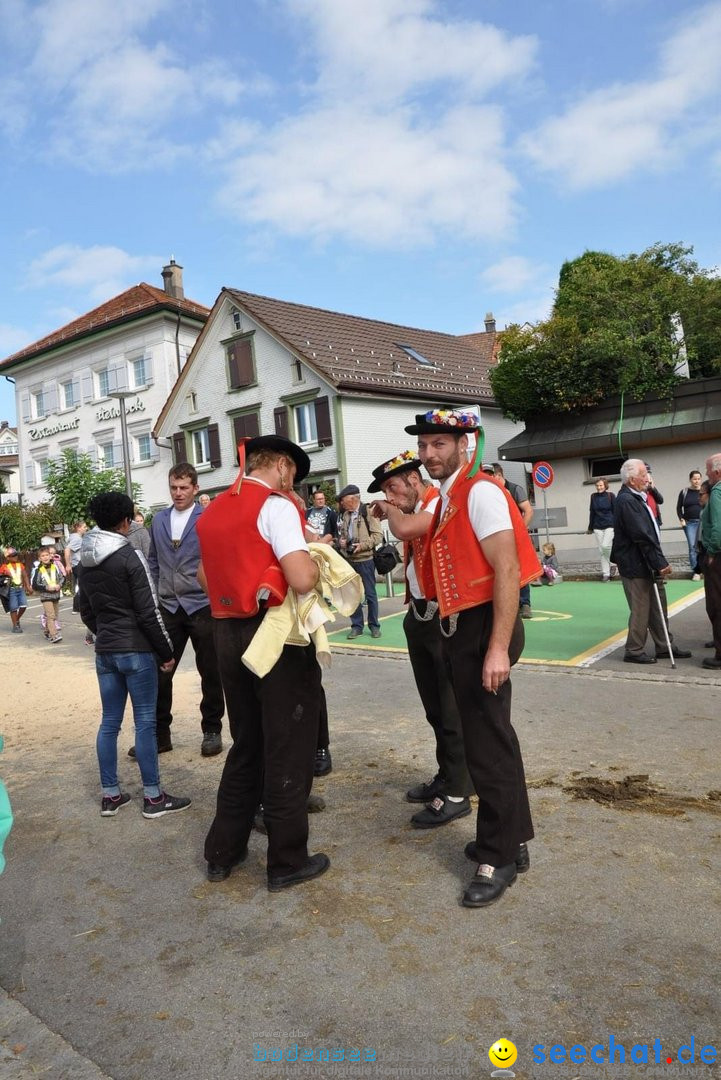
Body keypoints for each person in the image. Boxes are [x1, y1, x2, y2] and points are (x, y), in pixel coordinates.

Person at [407, 409, 540, 908]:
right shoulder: (447, 495)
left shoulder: (480, 490)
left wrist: (498, 647)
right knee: (491, 738)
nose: (428, 455)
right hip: (460, 628)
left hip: (485, 627)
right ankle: (513, 841)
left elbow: (507, 569)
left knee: (487, 744)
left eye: (438, 444)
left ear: (465, 444)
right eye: (425, 446)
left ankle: (498, 857)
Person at [198, 434, 329, 890]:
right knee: (288, 745)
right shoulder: (273, 507)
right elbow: (299, 575)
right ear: (278, 465)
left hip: (225, 631)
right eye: (291, 471)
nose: (292, 480)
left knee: (247, 744)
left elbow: (203, 574)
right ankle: (287, 861)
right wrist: (316, 566)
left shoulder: (212, 508)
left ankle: (222, 853)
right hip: (273, 631)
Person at [368, 451, 474, 828]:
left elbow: (407, 530)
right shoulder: (418, 505)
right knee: (435, 708)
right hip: (421, 614)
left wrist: (388, 510)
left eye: (393, 486)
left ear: (414, 479)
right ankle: (449, 777)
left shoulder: (436, 502)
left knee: (449, 708)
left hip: (443, 618)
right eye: (385, 490)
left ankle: (459, 790)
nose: (391, 496)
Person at [78, 492, 191, 819]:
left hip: (106, 651)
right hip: (137, 650)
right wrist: (166, 651)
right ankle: (154, 798)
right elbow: (149, 611)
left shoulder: (84, 559)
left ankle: (110, 795)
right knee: (145, 722)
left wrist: (104, 633)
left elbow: (85, 610)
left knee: (109, 722)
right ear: (126, 520)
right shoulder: (130, 556)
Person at [136, 463, 225, 758]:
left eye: (184, 487)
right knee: (160, 672)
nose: (178, 493)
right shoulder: (159, 519)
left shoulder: (207, 517)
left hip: (201, 606)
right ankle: (160, 735)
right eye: (174, 487)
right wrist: (154, 594)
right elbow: (152, 561)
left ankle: (211, 730)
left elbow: (217, 558)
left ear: (195, 488)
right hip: (169, 606)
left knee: (210, 673)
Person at [611, 459, 691, 665]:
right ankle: (634, 650)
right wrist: (660, 562)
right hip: (635, 563)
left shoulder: (639, 497)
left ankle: (664, 645)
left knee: (657, 606)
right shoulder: (627, 500)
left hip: (645, 561)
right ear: (631, 479)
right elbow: (642, 535)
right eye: (643, 475)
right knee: (641, 607)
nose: (647, 478)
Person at [337, 484, 383, 639]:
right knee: (353, 595)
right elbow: (343, 535)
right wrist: (342, 542)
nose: (342, 504)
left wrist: (362, 546)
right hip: (350, 560)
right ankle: (357, 626)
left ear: (353, 498)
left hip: (366, 560)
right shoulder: (346, 515)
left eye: (344, 501)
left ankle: (374, 626)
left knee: (370, 594)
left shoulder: (368, 511)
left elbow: (378, 536)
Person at [492, 464, 534, 618]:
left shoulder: (515, 489)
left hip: (515, 536)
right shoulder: (491, 492)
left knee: (519, 569)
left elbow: (528, 511)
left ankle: (525, 603)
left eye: (492, 476)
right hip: (498, 538)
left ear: (499, 475)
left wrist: (519, 531)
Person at [700, 454, 721, 669]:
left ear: (717, 471)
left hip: (719, 555)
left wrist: (713, 552)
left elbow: (718, 526)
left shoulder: (717, 491)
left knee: (717, 604)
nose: (706, 474)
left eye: (707, 470)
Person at [31, 546, 65, 642]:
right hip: (46, 596)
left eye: (47, 555)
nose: (45, 557)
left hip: (56, 595)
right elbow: (35, 584)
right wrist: (46, 587)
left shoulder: (55, 567)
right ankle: (54, 635)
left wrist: (60, 585)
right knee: (51, 616)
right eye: (43, 556)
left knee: (54, 615)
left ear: (50, 556)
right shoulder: (39, 570)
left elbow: (62, 578)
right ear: (39, 558)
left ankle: (46, 631)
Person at [587, 477, 616, 581]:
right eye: (597, 485)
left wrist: (618, 525)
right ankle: (606, 574)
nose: (599, 487)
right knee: (601, 551)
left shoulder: (611, 496)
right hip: (597, 526)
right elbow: (592, 512)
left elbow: (616, 511)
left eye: (601, 485)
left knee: (605, 546)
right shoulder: (593, 496)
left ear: (605, 486)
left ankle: (613, 563)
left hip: (609, 524)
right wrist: (590, 527)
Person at [677, 470, 703, 579]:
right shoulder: (684, 492)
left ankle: (705, 569)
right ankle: (696, 571)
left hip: (703, 523)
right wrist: (681, 519)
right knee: (693, 547)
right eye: (694, 479)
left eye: (698, 479)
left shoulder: (704, 491)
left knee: (704, 546)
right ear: (690, 480)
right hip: (690, 523)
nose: (696, 481)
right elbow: (678, 507)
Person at [0, 548, 31, 633]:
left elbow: (25, 576)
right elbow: (1, 579)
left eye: (16, 555)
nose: (15, 556)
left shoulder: (20, 565)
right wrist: (5, 574)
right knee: (13, 608)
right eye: (12, 556)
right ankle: (15, 626)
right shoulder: (4, 567)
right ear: (8, 558)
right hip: (11, 590)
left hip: (20, 589)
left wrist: (28, 586)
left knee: (24, 605)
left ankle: (16, 620)